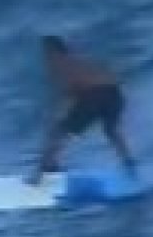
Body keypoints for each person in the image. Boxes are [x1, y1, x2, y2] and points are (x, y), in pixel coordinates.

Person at [30, 34, 136, 182]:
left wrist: (57, 116)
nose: (43, 55)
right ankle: (129, 164)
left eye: (45, 51)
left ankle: (39, 176)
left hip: (93, 96)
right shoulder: (80, 59)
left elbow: (67, 91)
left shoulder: (57, 63)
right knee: (111, 131)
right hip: (114, 93)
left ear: (51, 51)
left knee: (57, 134)